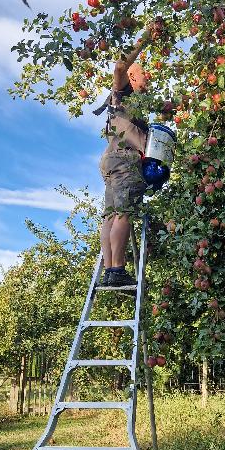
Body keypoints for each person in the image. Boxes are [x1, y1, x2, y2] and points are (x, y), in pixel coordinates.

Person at [98, 36, 151, 288]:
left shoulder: (134, 103)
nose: (148, 79)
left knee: (110, 216)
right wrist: (146, 37)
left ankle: (110, 271)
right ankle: (117, 269)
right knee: (123, 214)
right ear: (132, 78)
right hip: (124, 160)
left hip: (111, 161)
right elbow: (120, 66)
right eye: (144, 75)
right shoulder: (122, 90)